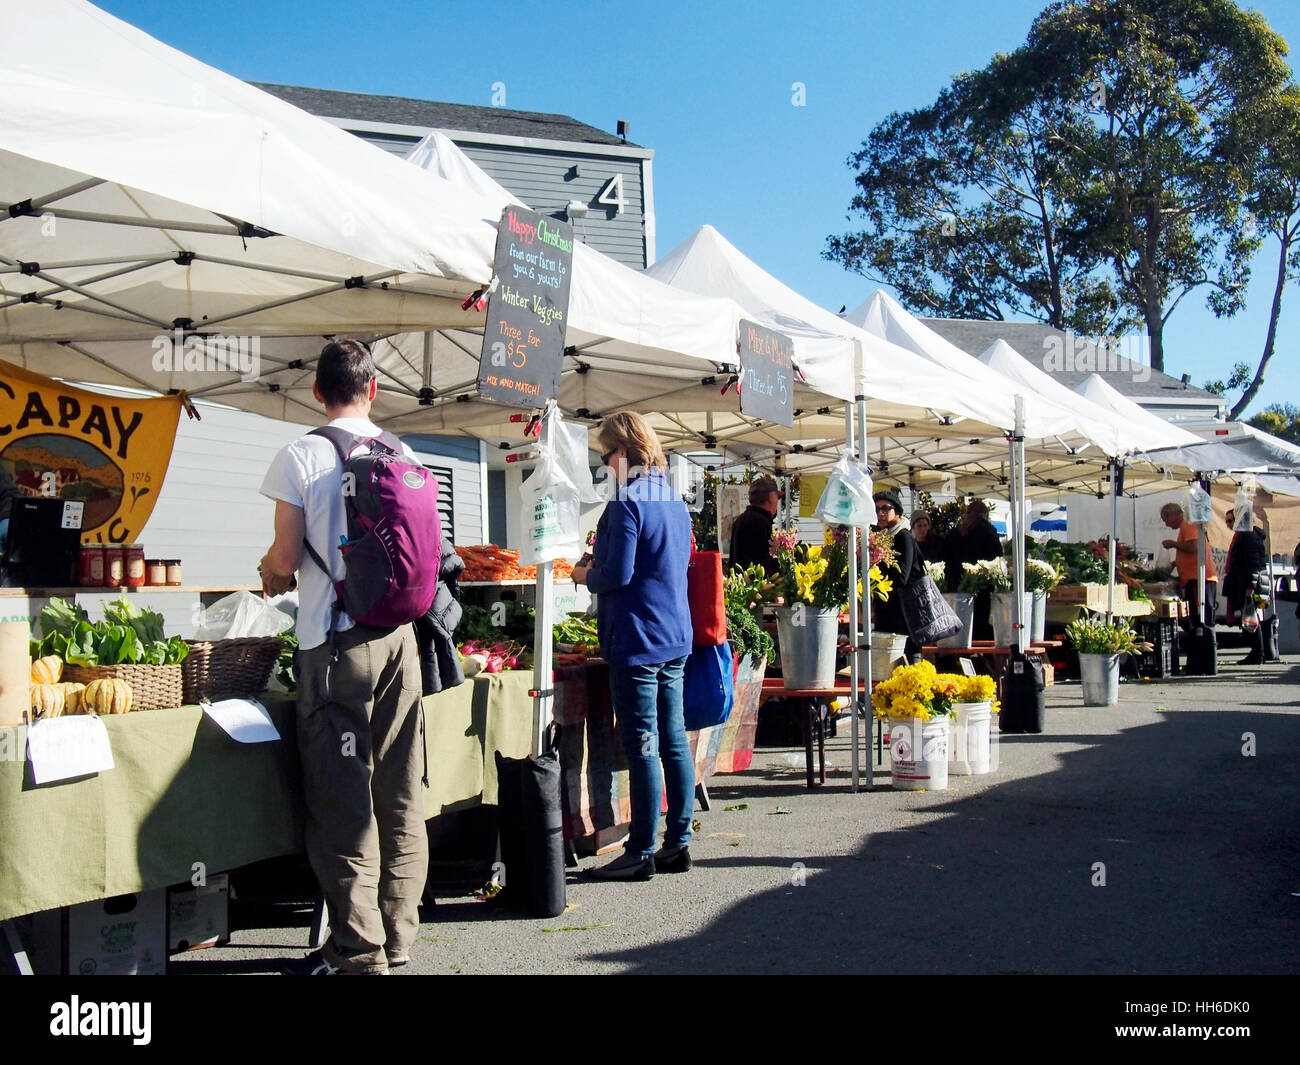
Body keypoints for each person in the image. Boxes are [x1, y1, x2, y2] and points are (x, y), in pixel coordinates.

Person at [259, 338, 428, 975]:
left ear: (316, 392)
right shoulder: (401, 451)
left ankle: (359, 951)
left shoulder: (300, 455)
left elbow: (282, 558)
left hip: (333, 646)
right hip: (398, 640)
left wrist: (272, 575)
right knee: (402, 789)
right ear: (374, 390)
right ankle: (401, 937)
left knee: (341, 799)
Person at [571, 412, 694, 880]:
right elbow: (671, 563)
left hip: (638, 639)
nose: (604, 465)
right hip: (674, 634)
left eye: (604, 455)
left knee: (643, 743)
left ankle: (640, 849)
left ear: (622, 452)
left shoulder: (625, 504)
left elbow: (615, 576)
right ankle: (677, 842)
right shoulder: (672, 498)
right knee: (673, 740)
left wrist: (583, 573)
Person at [871, 488, 925, 663]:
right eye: (877, 509)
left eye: (885, 508)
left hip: (905, 616)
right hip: (887, 614)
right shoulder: (881, 537)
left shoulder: (903, 537)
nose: (880, 513)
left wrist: (876, 574)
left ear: (897, 512)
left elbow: (902, 577)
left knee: (909, 663)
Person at [945, 499, 1003, 640]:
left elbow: (946, 558)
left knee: (961, 624)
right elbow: (997, 557)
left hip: (958, 587)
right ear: (985, 514)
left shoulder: (956, 533)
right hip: (981, 587)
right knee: (980, 625)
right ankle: (979, 658)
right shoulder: (989, 531)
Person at [1159, 502, 1217, 628]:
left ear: (1173, 515)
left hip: (1199, 578)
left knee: (1201, 617)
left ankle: (1205, 643)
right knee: (1197, 616)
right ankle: (1201, 641)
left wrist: (1173, 544)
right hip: (1195, 578)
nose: (1166, 524)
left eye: (1166, 520)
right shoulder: (1186, 526)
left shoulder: (1187, 524)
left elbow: (1193, 546)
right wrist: (1175, 563)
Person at [1223, 505, 1269, 665]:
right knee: (1249, 618)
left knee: (1250, 618)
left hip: (1247, 583)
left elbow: (1252, 562)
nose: (1227, 524)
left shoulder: (1247, 536)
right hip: (1245, 582)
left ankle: (1258, 653)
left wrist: (1249, 586)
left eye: (1230, 520)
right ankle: (1257, 652)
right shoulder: (1244, 535)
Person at [728, 475, 780, 575]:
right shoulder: (761, 523)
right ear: (770, 497)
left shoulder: (741, 520)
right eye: (777, 497)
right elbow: (764, 561)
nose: (777, 501)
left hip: (741, 584)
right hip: (758, 585)